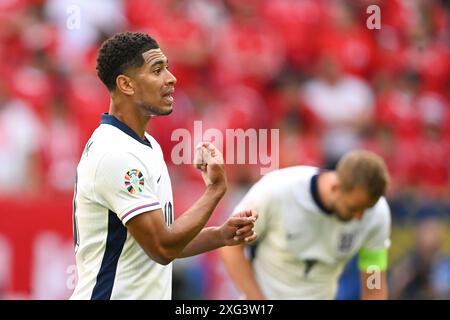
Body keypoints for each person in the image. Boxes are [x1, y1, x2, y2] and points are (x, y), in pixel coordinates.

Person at [70, 32, 257, 300]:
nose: (171, 78)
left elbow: (162, 240)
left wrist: (220, 235)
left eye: (167, 67)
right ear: (126, 84)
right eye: (157, 70)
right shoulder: (115, 153)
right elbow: (162, 248)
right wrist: (215, 190)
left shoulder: (147, 146)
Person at [220, 150, 391, 300]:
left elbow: (374, 280)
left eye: (366, 209)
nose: (360, 217)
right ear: (335, 187)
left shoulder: (377, 214)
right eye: (354, 208)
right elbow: (230, 247)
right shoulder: (277, 191)